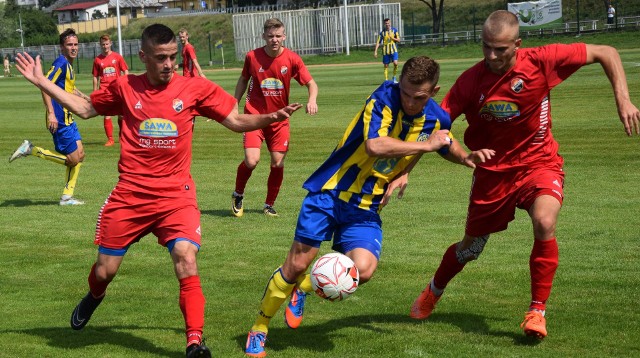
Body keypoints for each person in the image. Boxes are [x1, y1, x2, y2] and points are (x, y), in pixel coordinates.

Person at [14, 23, 302, 358]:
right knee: (105, 271)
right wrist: (41, 82)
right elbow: (85, 108)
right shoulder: (124, 86)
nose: (169, 64)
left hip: (175, 196)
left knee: (186, 258)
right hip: (130, 197)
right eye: (161, 58)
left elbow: (236, 121)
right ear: (143, 57)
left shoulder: (194, 89)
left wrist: (271, 117)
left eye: (172, 57)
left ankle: (195, 342)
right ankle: (94, 297)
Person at [409, 10, 640, 340]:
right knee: (470, 249)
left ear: (517, 44)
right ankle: (434, 290)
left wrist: (623, 100)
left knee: (545, 221)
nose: (491, 56)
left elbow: (607, 51)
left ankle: (537, 311)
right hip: (492, 174)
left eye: (500, 49)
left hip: (539, 164)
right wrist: (405, 172)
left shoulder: (543, 61)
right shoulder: (470, 82)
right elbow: (436, 129)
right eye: (486, 47)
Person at [243, 56, 495, 357]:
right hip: (330, 191)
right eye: (406, 93)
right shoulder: (383, 97)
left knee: (362, 269)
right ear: (399, 83)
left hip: (365, 205)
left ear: (434, 91)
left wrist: (465, 157)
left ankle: (306, 288)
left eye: (420, 97)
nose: (411, 102)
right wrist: (426, 146)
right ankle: (259, 328)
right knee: (295, 265)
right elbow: (375, 145)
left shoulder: (436, 117)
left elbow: (445, 140)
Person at [231, 18, 318, 217]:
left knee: (277, 163)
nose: (274, 40)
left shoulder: (292, 59)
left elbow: (311, 83)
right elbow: (244, 79)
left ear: (284, 36)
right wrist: (234, 103)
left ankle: (269, 205)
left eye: (278, 36)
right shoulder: (252, 57)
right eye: (270, 36)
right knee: (252, 161)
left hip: (280, 119)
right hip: (255, 117)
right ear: (264, 36)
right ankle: (238, 193)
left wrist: (312, 100)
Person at [9, 28, 90, 206]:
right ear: (62, 47)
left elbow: (67, 88)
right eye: (69, 45)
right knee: (73, 159)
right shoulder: (60, 63)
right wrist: (51, 113)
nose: (74, 48)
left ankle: (67, 197)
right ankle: (32, 150)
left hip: (69, 117)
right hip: (59, 119)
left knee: (80, 155)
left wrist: (84, 97)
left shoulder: (68, 64)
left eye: (76, 44)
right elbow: (45, 85)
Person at [92, 34, 129, 147]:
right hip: (104, 90)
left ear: (110, 43)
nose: (105, 46)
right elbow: (95, 76)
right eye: (103, 44)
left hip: (117, 90)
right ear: (100, 45)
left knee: (121, 115)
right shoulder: (97, 60)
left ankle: (122, 137)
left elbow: (125, 71)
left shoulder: (117, 57)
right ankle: (110, 139)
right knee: (107, 115)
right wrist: (95, 92)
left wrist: (125, 84)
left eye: (107, 44)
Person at [374, 18, 400, 82]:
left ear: (390, 23)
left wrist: (392, 38)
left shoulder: (394, 30)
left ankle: (394, 77)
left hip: (393, 49)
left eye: (388, 23)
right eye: (386, 23)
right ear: (384, 24)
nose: (387, 24)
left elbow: (399, 40)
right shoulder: (382, 32)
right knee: (386, 65)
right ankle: (386, 79)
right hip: (385, 50)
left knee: (395, 63)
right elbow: (378, 42)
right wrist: (375, 51)